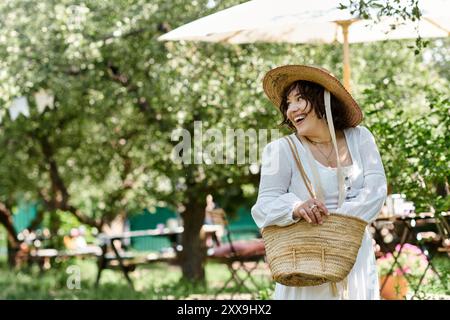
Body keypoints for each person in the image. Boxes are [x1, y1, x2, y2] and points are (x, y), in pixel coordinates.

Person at [251, 65, 387, 300]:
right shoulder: (280, 150)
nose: (291, 110)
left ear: (324, 101)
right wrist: (295, 207)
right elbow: (263, 207)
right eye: (288, 103)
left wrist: (338, 228)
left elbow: (376, 192)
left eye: (300, 99)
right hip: (306, 258)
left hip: (355, 256)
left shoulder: (361, 138)